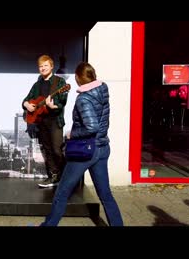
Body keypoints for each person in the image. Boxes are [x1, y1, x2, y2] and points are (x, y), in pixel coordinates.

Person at [40, 62, 123, 226]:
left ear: (78, 78)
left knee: (62, 192)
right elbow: (100, 122)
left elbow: (92, 126)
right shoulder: (102, 91)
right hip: (102, 148)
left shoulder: (83, 99)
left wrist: (71, 134)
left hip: (85, 151)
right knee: (105, 194)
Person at [22, 54, 68, 188]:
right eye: (40, 66)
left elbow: (62, 101)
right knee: (47, 150)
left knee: (57, 149)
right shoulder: (37, 84)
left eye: (45, 65)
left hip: (55, 121)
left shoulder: (60, 83)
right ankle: (52, 177)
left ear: (51, 66)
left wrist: (54, 106)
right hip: (41, 121)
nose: (42, 68)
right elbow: (26, 99)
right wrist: (26, 104)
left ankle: (64, 177)